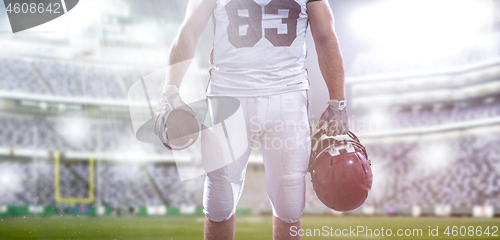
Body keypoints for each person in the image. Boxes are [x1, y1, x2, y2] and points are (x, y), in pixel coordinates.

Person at [153, 0, 349, 239]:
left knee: (290, 202)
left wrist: (338, 101)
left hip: (287, 95)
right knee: (220, 201)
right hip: (229, 95)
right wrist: (170, 90)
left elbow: (326, 36)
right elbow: (190, 29)